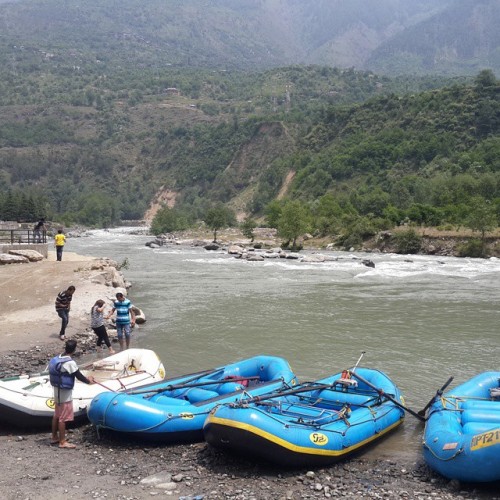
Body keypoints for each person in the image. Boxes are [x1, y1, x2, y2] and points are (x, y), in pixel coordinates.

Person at [49, 339, 94, 449]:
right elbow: (79, 376)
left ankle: (54, 436)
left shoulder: (57, 358)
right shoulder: (70, 363)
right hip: (65, 393)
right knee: (63, 418)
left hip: (56, 390)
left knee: (56, 415)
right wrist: (89, 381)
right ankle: (62, 442)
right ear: (74, 349)